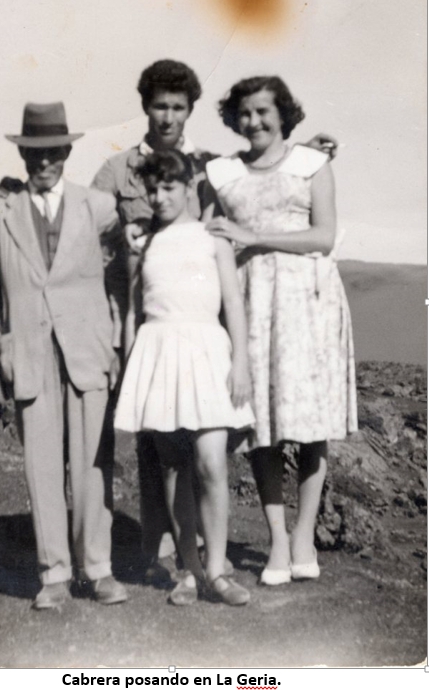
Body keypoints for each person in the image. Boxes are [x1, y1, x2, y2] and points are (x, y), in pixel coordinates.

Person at [91, 58, 339, 583]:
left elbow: (262, 189)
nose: (168, 116)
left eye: (178, 107)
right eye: (160, 106)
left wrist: (306, 151)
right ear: (146, 108)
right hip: (169, 316)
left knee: (230, 436)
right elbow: (99, 223)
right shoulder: (127, 170)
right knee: (169, 440)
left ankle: (229, 547)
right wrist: (123, 234)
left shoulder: (213, 166)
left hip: (247, 311)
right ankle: (170, 551)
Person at [204, 76, 358, 586]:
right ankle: (276, 540)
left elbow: (323, 235)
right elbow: (208, 233)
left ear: (283, 113)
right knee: (261, 426)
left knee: (311, 425)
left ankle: (304, 534)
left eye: (264, 111)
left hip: (308, 303)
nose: (254, 121)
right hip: (249, 303)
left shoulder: (312, 164)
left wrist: (253, 235)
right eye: (245, 113)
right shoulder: (222, 173)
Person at [0, 102, 128, 609]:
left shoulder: (97, 206)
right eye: (34, 153)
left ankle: (98, 569)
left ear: (66, 151)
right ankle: (54, 576)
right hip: (29, 354)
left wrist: (117, 341)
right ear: (22, 156)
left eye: (53, 152)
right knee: (41, 466)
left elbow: (121, 274)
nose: (44, 162)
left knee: (93, 465)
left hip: (87, 351)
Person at [114, 149, 255, 606]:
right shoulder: (143, 243)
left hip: (207, 350)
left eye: (169, 187)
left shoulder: (213, 238)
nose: (159, 197)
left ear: (189, 186)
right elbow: (134, 312)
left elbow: (233, 304)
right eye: (152, 189)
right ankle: (189, 571)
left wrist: (240, 363)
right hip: (159, 353)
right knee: (174, 466)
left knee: (212, 462)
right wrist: (133, 372)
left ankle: (217, 570)